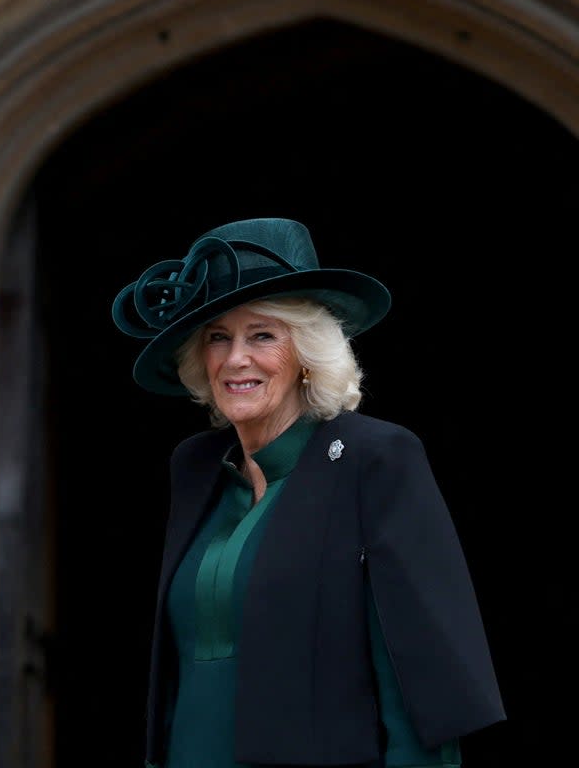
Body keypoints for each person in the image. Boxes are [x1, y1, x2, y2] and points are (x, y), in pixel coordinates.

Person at [111, 218, 505, 768]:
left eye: (262, 335)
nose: (235, 358)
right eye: (217, 337)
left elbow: (417, 671)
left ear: (306, 352)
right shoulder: (196, 468)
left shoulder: (377, 458)